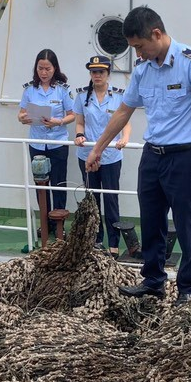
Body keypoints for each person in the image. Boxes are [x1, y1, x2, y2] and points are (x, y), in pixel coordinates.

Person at [86, 6, 191, 303]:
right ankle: (154, 280)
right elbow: (124, 111)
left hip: (183, 157)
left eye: (139, 46)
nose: (138, 54)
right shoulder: (142, 71)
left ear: (156, 34)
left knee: (185, 225)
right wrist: (98, 148)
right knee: (151, 221)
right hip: (152, 156)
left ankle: (187, 288)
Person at [73, 55, 129, 254]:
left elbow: (125, 122)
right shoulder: (81, 96)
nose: (97, 75)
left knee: (111, 200)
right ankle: (96, 240)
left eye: (101, 72)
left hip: (111, 156)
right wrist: (79, 134)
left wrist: (125, 138)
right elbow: (79, 122)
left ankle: (113, 243)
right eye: (94, 72)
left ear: (108, 74)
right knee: (92, 198)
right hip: (87, 154)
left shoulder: (119, 96)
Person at [18, 49, 75, 215]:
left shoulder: (63, 90)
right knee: (40, 185)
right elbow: (21, 114)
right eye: (40, 68)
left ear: (55, 68)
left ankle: (58, 223)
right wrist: (23, 118)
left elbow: (72, 116)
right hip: (37, 143)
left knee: (58, 184)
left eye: (47, 69)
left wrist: (59, 122)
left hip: (57, 142)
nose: (43, 72)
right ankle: (44, 221)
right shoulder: (29, 90)